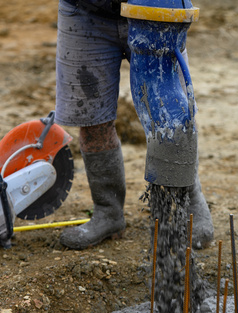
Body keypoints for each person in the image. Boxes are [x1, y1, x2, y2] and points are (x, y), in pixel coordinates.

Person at [54, 0, 213, 250]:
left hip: (157, 9)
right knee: (92, 119)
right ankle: (108, 213)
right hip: (85, 11)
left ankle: (189, 204)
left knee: (172, 115)